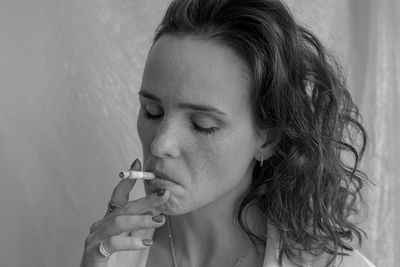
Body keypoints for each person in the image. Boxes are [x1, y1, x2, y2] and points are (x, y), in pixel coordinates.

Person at [80, 0, 376, 266]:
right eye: (151, 112)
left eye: (202, 125)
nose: (160, 144)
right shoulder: (113, 253)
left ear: (268, 138)